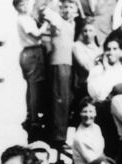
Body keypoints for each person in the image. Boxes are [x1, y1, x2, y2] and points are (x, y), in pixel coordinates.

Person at [41, 0, 77, 149]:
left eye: (71, 8)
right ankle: (58, 137)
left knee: (68, 100)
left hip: (70, 64)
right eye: (65, 8)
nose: (68, 10)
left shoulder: (73, 24)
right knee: (59, 100)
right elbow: (45, 11)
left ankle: (62, 135)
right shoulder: (58, 21)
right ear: (60, 9)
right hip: (59, 63)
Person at [14, 0, 49, 141]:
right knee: (35, 86)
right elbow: (36, 34)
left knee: (31, 86)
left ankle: (31, 115)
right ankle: (34, 118)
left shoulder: (26, 18)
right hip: (32, 52)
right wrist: (46, 23)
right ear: (16, 8)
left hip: (28, 52)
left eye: (25, 4)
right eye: (21, 5)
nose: (25, 7)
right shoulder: (23, 19)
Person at [70, 97, 104, 164]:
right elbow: (92, 161)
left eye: (91, 111)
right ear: (80, 113)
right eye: (85, 112)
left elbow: (100, 151)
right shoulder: (79, 136)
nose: (88, 115)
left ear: (95, 113)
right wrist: (107, 160)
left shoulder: (97, 128)